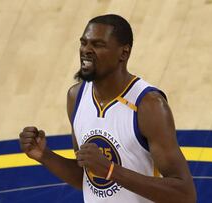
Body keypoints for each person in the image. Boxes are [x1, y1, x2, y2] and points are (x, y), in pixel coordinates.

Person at [19, 14, 196, 203]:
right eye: (84, 43)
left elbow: (184, 195)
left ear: (124, 53)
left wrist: (111, 171)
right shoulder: (76, 97)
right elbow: (88, 177)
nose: (86, 50)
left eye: (98, 44)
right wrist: (44, 155)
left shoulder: (148, 105)